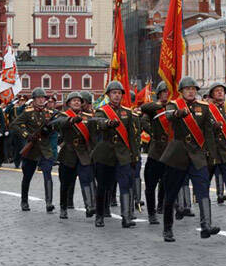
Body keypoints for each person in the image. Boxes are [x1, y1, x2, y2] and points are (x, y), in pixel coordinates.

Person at [158, 77, 219, 241]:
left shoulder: (203, 107)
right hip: (178, 154)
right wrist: (178, 113)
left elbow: (208, 134)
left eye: (193, 89)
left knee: (203, 189)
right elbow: (168, 116)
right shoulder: (174, 105)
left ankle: (206, 226)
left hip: (197, 155)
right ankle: (167, 228)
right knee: (171, 192)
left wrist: (212, 156)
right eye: (187, 89)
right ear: (181, 91)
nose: (191, 92)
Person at [90, 81, 140, 229]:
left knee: (125, 184)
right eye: (114, 93)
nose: (117, 95)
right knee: (103, 186)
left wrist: (134, 155)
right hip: (105, 153)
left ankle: (126, 217)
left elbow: (132, 136)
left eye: (119, 93)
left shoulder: (127, 112)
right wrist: (107, 123)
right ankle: (99, 216)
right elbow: (97, 123)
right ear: (108, 95)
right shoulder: (102, 111)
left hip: (123, 154)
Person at [10, 88, 56, 211]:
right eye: (38, 98)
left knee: (47, 174)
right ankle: (24, 201)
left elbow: (57, 126)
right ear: (34, 100)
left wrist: (50, 130)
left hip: (45, 149)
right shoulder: (28, 112)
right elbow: (14, 124)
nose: (41, 100)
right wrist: (26, 135)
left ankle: (49, 202)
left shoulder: (50, 113)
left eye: (43, 98)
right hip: (31, 149)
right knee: (27, 176)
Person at [51, 92, 95, 220]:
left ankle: (89, 206)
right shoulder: (63, 115)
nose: (76, 102)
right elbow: (58, 123)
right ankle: (63, 208)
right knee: (66, 183)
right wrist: (71, 120)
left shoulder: (88, 116)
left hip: (83, 153)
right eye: (74, 100)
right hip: (68, 153)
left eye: (78, 101)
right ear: (69, 103)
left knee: (86, 179)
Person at [139, 82, 171, 225]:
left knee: (166, 182)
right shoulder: (154, 108)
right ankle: (151, 213)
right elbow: (144, 116)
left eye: (168, 92)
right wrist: (153, 132)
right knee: (151, 184)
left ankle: (161, 206)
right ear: (158, 94)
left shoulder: (174, 107)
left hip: (170, 151)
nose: (166, 94)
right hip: (156, 152)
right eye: (163, 92)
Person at [206, 82, 226, 222]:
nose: (220, 92)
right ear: (212, 94)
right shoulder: (207, 109)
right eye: (217, 91)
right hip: (211, 153)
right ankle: (205, 217)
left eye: (222, 91)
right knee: (204, 184)